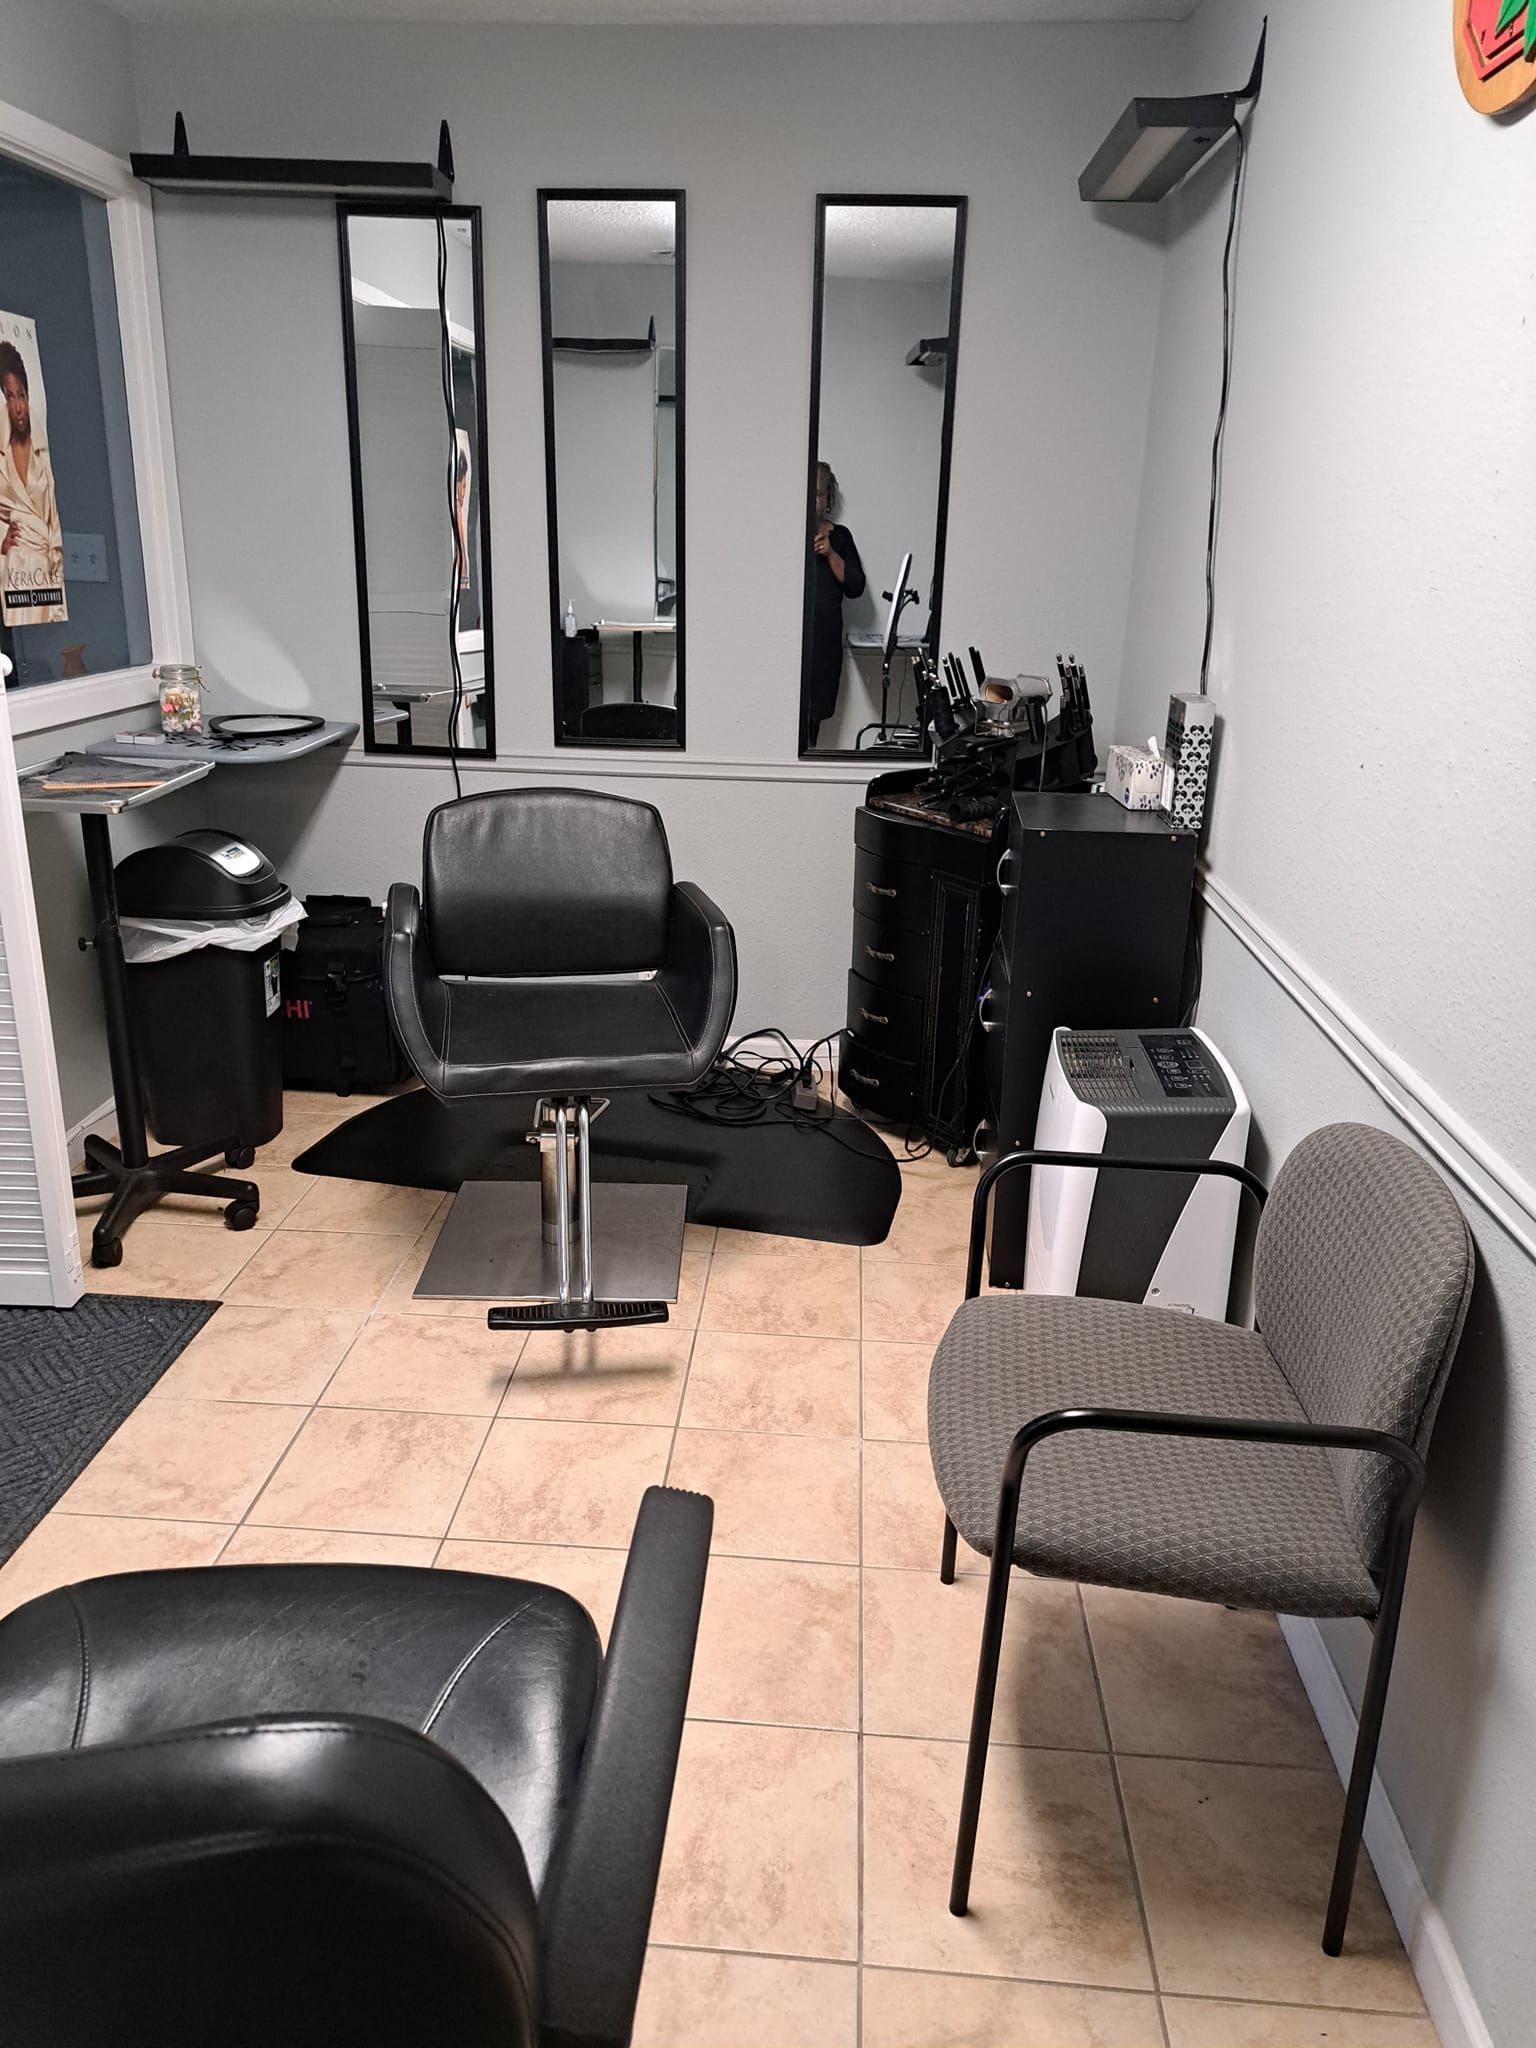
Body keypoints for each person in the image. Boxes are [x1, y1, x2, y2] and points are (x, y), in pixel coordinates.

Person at [0, 339, 66, 628]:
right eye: (10, 397)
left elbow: (54, 520)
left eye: (22, 396)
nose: (18, 407)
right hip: (14, 571)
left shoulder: (44, 452)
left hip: (46, 576)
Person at [805, 460, 864, 748]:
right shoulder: (782, 534)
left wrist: (830, 553)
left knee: (812, 727)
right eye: (807, 492)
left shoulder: (840, 537)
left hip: (823, 651)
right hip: (786, 649)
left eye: (818, 493)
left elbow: (856, 587)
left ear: (828, 498)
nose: (813, 500)